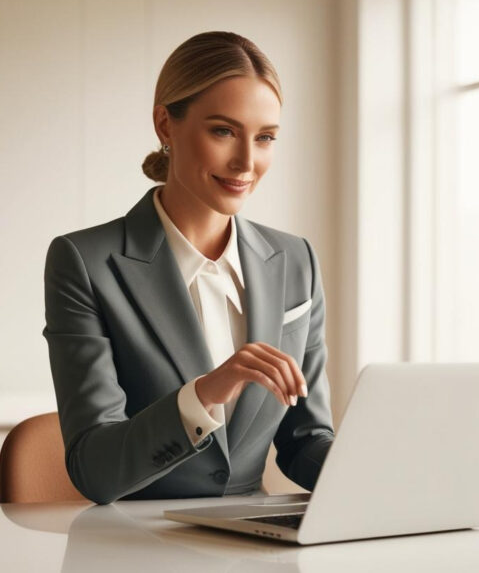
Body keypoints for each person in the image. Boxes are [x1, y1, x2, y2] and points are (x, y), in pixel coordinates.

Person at [43, 31, 334, 505]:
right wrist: (207, 392)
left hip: (252, 549)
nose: (246, 161)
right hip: (137, 547)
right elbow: (94, 469)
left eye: (265, 138)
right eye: (223, 131)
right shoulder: (85, 262)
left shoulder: (295, 260)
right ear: (165, 125)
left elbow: (305, 442)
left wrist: (389, 480)